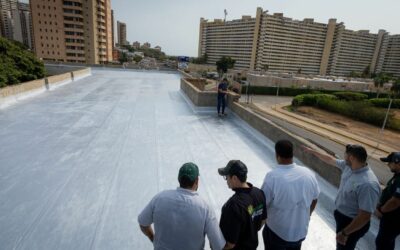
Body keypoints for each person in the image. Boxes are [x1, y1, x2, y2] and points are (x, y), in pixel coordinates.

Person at [304, 144, 381, 250]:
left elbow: (365, 216)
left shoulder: (368, 184)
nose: (343, 157)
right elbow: (330, 159)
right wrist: (313, 151)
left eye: (345, 155)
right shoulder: (349, 166)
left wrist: (345, 233)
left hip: (351, 223)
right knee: (340, 246)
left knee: (344, 247)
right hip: (342, 217)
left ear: (352, 157)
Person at [137, 162, 225, 250]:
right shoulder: (205, 208)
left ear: (179, 179)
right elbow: (217, 245)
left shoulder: (160, 198)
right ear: (197, 181)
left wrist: (153, 239)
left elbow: (143, 223)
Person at [261, 140, 320, 250]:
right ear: (292, 154)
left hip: (277, 233)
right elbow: (315, 198)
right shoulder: (308, 174)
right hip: (299, 233)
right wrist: (308, 215)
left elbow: (262, 203)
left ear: (277, 155)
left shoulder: (272, 177)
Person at [218, 160, 267, 250]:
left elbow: (230, 244)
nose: (226, 181)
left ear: (235, 178)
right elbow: (263, 219)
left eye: (226, 177)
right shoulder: (259, 193)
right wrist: (252, 229)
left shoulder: (233, 206)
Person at [375, 152, 400, 250]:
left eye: (390, 162)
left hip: (393, 220)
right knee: (388, 243)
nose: (388, 164)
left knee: (382, 243)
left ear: (397, 163)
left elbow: (395, 202)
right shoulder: (397, 176)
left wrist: (381, 210)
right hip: (392, 219)